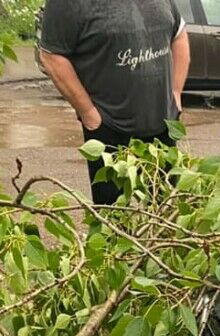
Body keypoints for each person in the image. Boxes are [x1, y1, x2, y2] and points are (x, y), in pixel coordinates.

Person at [38, 0, 191, 204]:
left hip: (163, 126)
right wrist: (88, 113)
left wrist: (175, 92)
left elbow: (179, 33)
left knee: (165, 211)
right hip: (109, 129)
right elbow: (51, 56)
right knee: (114, 220)